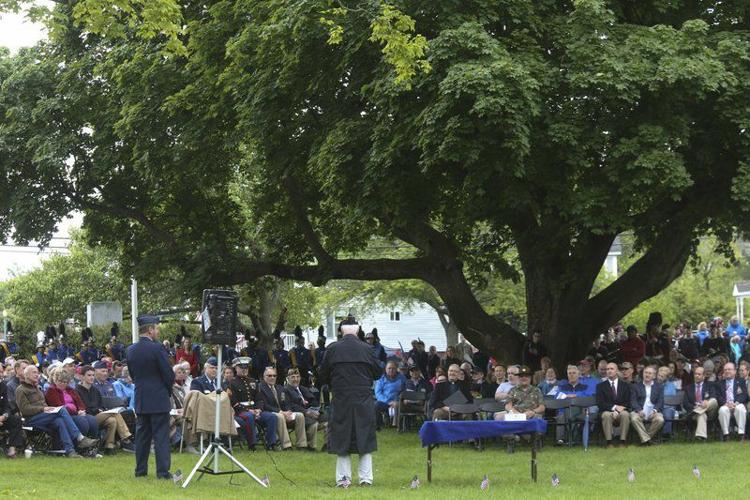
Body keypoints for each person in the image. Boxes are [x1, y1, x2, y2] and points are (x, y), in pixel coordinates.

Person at [318, 317, 382, 487]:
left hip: (341, 399)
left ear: (341, 331)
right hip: (363, 399)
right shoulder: (368, 349)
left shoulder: (332, 349)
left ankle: (343, 479)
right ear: (358, 330)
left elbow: (322, 375)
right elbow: (377, 373)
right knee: (364, 437)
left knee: (342, 436)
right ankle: (366, 479)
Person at [126, 315, 175, 479]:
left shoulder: (131, 350)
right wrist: (166, 391)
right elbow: (168, 374)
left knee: (142, 437)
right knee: (161, 436)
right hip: (158, 397)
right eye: (156, 328)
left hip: (141, 397)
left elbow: (133, 375)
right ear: (150, 329)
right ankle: (162, 472)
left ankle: (140, 471)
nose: (157, 331)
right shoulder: (158, 348)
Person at [16, 365, 98, 458]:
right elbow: (24, 409)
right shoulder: (21, 390)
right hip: (31, 419)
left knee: (59, 420)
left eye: (37, 372)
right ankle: (80, 438)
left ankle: (70, 451)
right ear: (26, 375)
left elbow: (44, 404)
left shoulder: (37, 388)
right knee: (62, 410)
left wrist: (46, 409)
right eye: (34, 372)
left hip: (44, 416)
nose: (37, 374)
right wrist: (43, 409)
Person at [227, 357, 277, 451]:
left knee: (272, 417)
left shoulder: (253, 381)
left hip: (255, 410)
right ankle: (252, 444)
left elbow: (259, 399)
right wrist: (248, 410)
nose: (244, 369)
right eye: (241, 367)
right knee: (249, 416)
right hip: (240, 412)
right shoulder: (232, 383)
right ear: (236, 368)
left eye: (246, 367)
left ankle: (271, 443)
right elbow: (233, 402)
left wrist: (258, 409)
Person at [257, 366, 307, 450]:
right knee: (280, 417)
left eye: (274, 375)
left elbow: (285, 402)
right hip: (269, 413)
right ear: (264, 377)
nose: (272, 377)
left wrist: (288, 412)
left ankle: (301, 444)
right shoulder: (260, 388)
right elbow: (265, 405)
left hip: (283, 412)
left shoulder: (280, 388)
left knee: (300, 415)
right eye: (269, 376)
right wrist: (281, 412)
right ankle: (286, 445)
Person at [596, 362, 632, 448]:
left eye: (611, 369)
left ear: (616, 371)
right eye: (607, 369)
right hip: (607, 411)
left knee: (625, 414)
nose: (609, 371)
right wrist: (614, 408)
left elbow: (628, 402)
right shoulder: (600, 386)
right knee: (606, 415)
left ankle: (622, 441)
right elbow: (600, 403)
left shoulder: (625, 385)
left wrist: (619, 410)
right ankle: (609, 442)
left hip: (621, 412)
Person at [554, 365, 592, 445]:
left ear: (578, 375)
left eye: (574, 373)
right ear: (567, 375)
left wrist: (576, 396)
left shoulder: (585, 387)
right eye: (569, 373)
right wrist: (566, 396)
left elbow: (588, 398)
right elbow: (556, 397)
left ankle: (574, 438)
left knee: (577, 414)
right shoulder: (562, 387)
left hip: (580, 410)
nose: (571, 375)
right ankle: (560, 440)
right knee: (561, 416)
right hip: (564, 410)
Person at [284, 367, 320, 450]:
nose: (295, 379)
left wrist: (315, 410)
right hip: (294, 415)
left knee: (327, 419)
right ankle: (307, 446)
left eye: (297, 377)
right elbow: (290, 406)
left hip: (309, 413)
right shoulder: (286, 390)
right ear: (287, 378)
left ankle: (327, 445)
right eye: (293, 377)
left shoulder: (303, 389)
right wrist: (306, 412)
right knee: (313, 423)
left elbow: (313, 400)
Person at [630, 366, 664, 446]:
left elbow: (660, 401)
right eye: (645, 372)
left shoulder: (659, 387)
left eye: (649, 373)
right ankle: (647, 440)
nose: (647, 375)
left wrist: (655, 410)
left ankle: (644, 439)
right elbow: (633, 401)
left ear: (654, 376)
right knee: (634, 418)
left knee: (660, 420)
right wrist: (639, 410)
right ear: (643, 374)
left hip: (653, 411)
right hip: (639, 411)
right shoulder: (636, 386)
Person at [683, 366, 718, 441]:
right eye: (695, 374)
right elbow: (685, 404)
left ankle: (699, 410)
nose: (696, 376)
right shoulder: (688, 388)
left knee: (714, 400)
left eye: (699, 374)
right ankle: (701, 436)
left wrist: (706, 402)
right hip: (695, 412)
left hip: (709, 411)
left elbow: (714, 396)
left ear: (704, 376)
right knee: (701, 414)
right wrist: (695, 407)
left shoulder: (710, 385)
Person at [717, 362, 748, 441]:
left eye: (729, 369)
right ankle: (726, 435)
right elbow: (718, 396)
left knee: (740, 408)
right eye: (725, 370)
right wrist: (726, 404)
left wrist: (736, 403)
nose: (727, 371)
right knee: (722, 410)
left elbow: (744, 395)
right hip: (726, 405)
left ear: (734, 371)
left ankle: (741, 434)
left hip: (737, 404)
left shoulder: (741, 381)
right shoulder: (719, 383)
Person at [374, 361, 406, 429]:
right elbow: (378, 393)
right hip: (385, 402)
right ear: (386, 369)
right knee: (376, 405)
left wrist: (397, 401)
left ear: (397, 369)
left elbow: (404, 391)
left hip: (397, 402)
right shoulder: (381, 379)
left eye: (393, 368)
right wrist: (388, 402)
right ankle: (379, 424)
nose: (391, 370)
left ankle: (395, 424)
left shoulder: (402, 378)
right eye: (389, 368)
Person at [0, 374, 24, 458]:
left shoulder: (3, 385)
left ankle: (12, 450)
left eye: (1, 372)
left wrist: (4, 416)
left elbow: (7, 405)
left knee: (16, 420)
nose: (1, 374)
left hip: (2, 418)